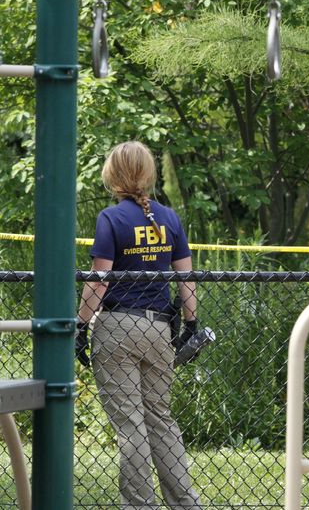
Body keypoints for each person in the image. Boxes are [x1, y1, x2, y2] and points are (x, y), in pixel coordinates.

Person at [75, 141, 201, 509]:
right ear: (148, 173)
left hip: (117, 327)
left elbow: (99, 280)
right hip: (160, 328)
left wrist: (80, 326)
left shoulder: (111, 218)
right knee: (160, 418)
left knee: (130, 424)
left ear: (112, 175)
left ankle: (140, 506)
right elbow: (186, 277)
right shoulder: (169, 218)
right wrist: (191, 322)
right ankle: (186, 503)